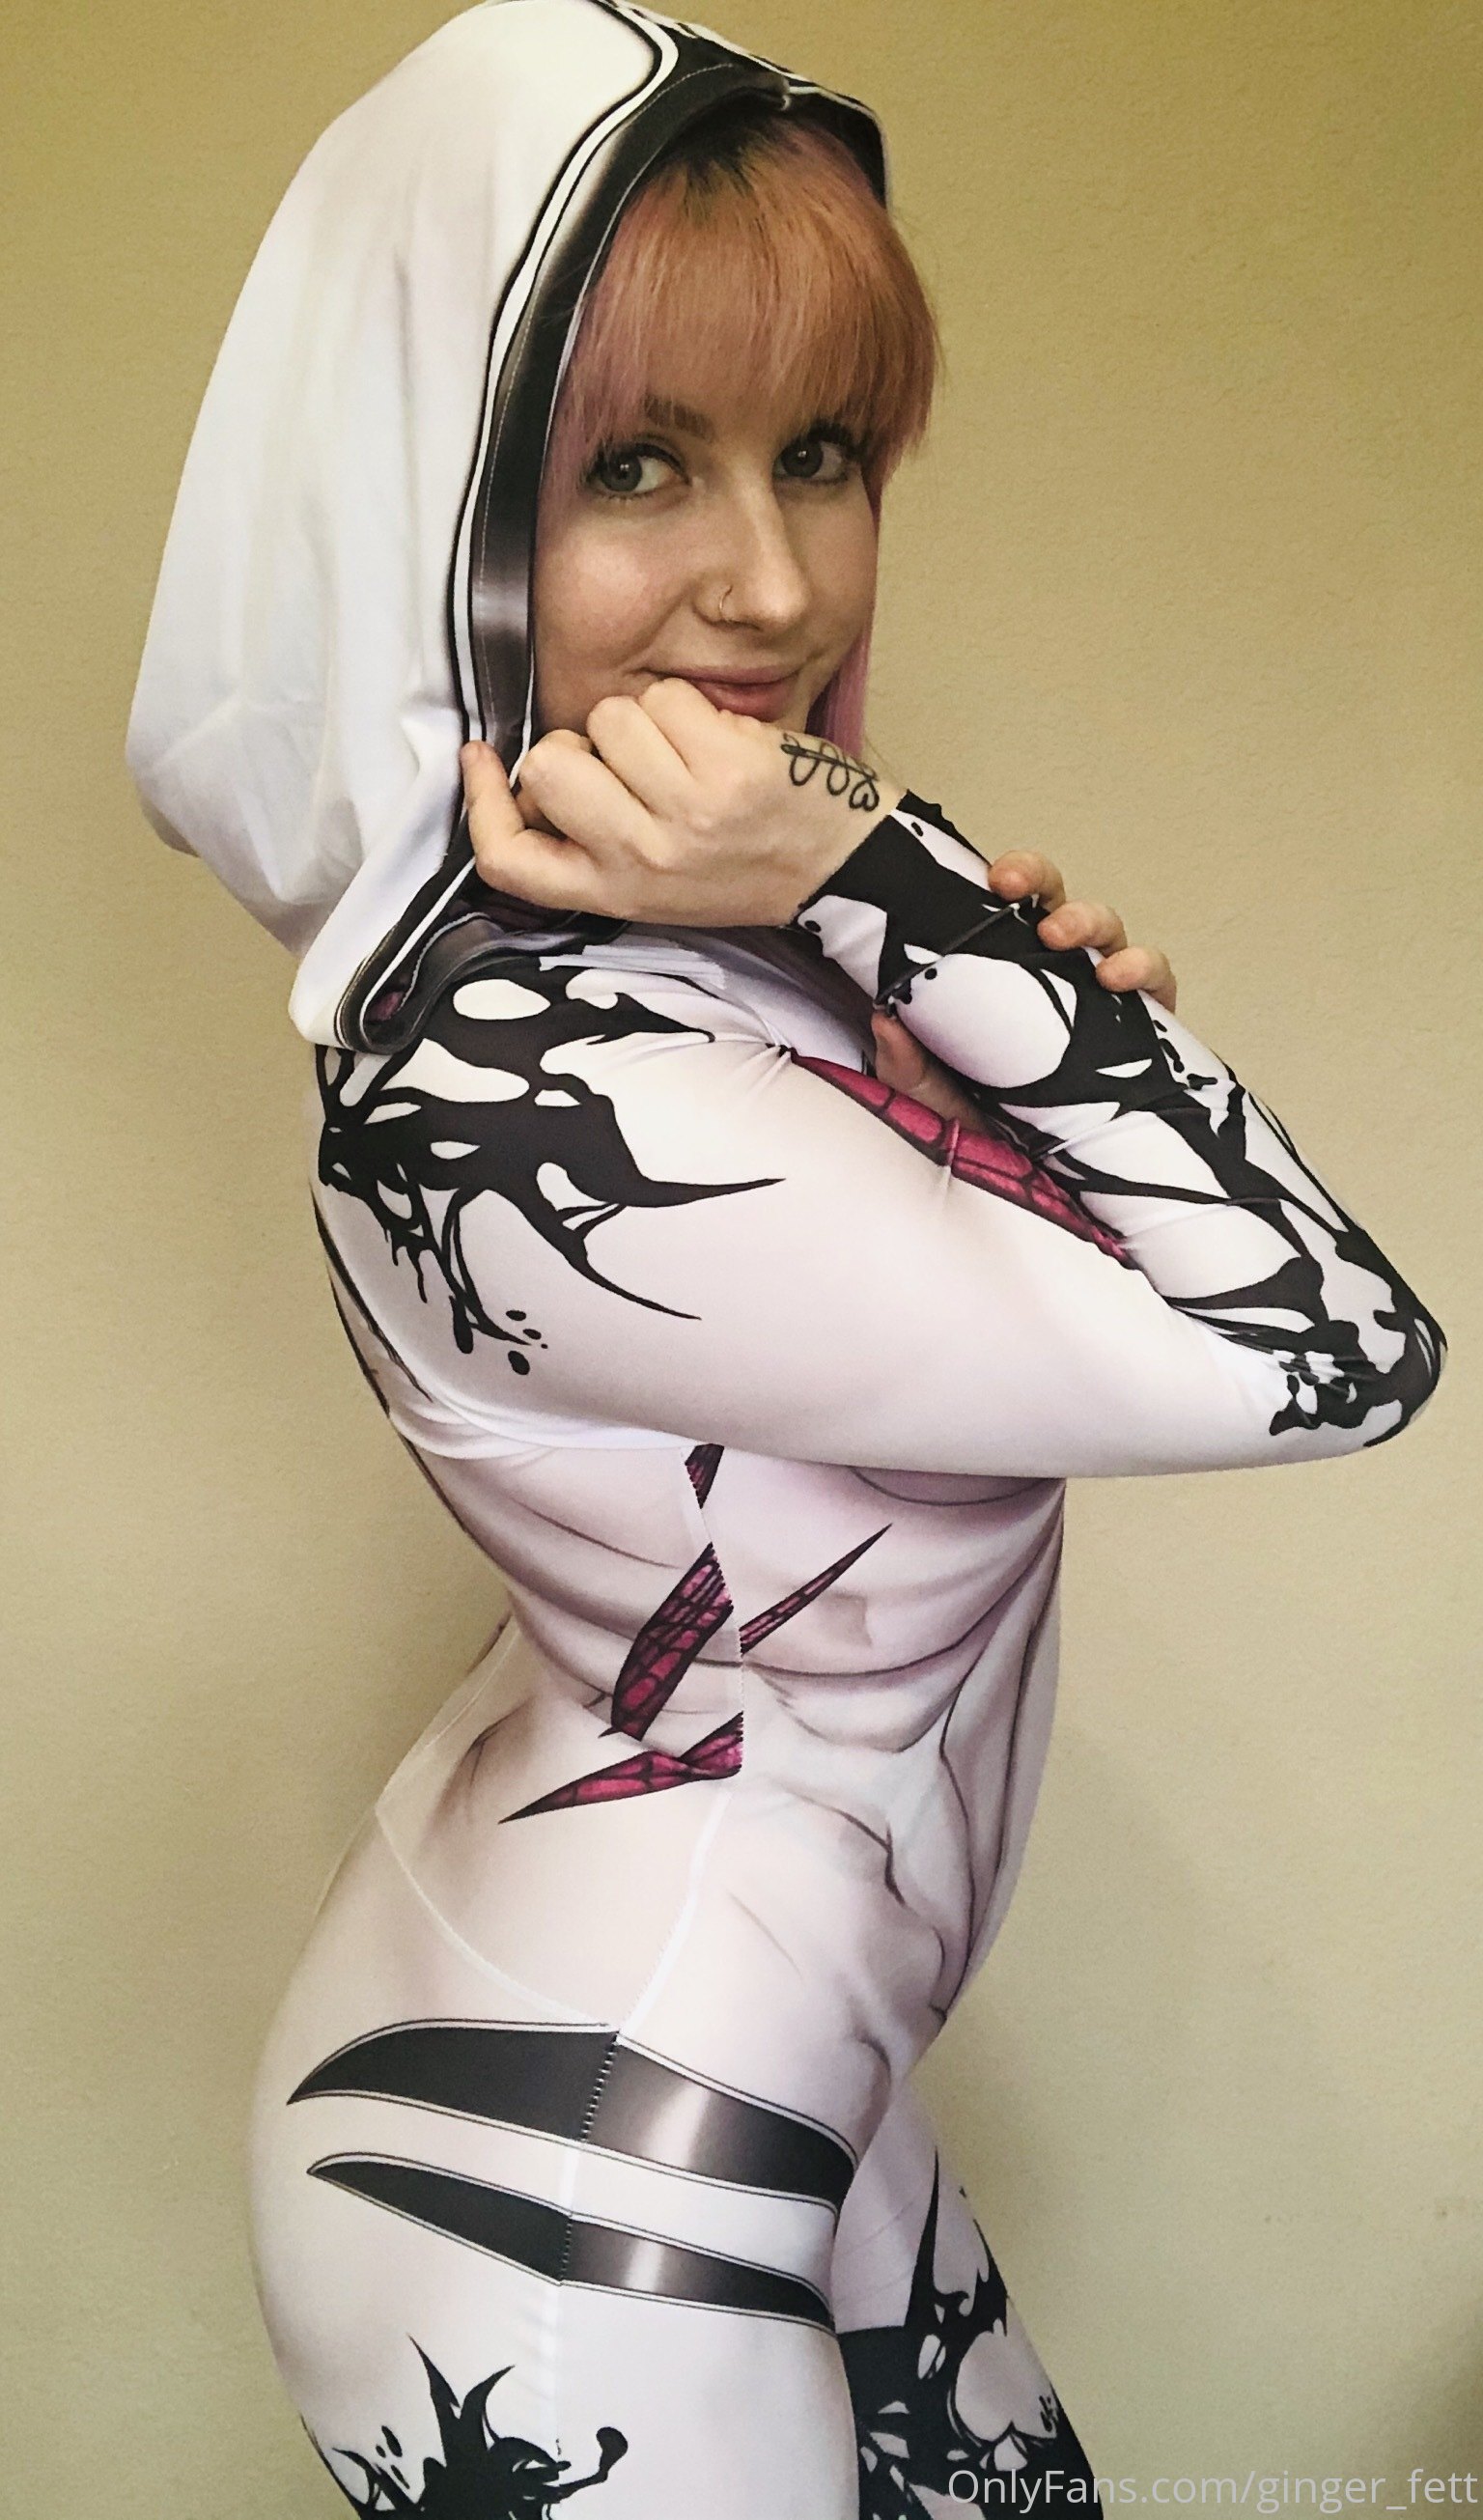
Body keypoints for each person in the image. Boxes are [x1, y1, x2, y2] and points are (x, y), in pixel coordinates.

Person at [125, 5, 1446, 2513]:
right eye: (637, 465)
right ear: (433, 501)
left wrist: (965, 989)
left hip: (716, 2073)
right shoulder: (503, 1076)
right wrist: (902, 874)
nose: (774, 578)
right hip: (544, 2203)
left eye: (820, 453)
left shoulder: (702, 969)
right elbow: (1339, 1341)